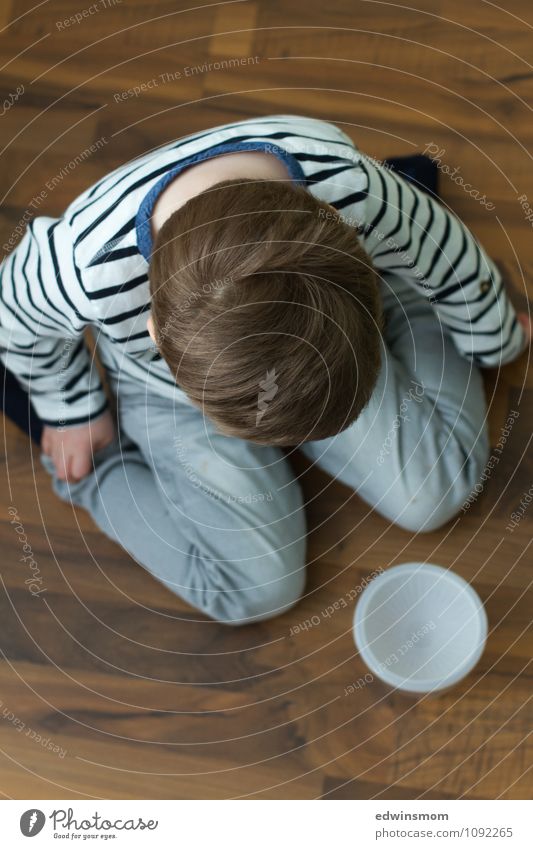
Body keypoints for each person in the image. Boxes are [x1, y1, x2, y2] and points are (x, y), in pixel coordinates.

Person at [1, 114, 530, 625]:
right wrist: (72, 410)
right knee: (257, 591)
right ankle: (99, 471)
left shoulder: (345, 181)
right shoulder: (78, 266)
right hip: (158, 385)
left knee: (438, 490)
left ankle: (411, 312)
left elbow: (439, 246)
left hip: (325, 329)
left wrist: (491, 333)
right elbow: (12, 321)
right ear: (155, 334)